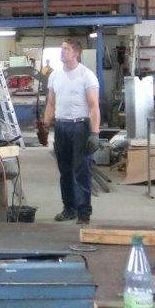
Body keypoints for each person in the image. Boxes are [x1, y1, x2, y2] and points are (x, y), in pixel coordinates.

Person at [43, 38, 101, 224]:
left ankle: (83, 213)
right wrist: (45, 123)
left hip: (80, 127)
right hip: (61, 127)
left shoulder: (87, 75)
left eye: (66, 49)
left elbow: (94, 106)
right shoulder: (55, 75)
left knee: (81, 171)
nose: (62, 52)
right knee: (65, 171)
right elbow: (51, 103)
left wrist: (95, 133)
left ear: (76, 53)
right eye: (62, 49)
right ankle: (69, 209)